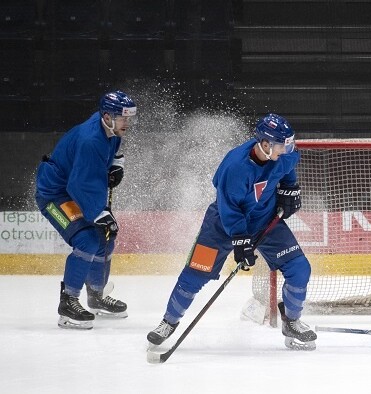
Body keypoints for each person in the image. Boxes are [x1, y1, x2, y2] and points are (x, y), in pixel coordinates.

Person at [146, 113, 317, 351]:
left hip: (265, 222)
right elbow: (228, 208)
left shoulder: (282, 156)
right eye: (282, 145)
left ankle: (292, 322)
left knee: (299, 269)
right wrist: (240, 238)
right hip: (221, 226)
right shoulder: (234, 167)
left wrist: (290, 187)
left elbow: (287, 167)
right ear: (265, 144)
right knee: (194, 276)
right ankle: (168, 322)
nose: (287, 150)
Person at [35, 90, 136, 329]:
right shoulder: (90, 140)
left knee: (107, 238)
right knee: (88, 240)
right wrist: (99, 214)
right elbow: (80, 185)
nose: (127, 123)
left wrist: (116, 164)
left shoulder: (109, 127)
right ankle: (68, 304)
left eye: (128, 118)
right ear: (107, 116)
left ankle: (96, 296)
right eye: (123, 118)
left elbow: (114, 147)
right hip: (56, 195)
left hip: (74, 190)